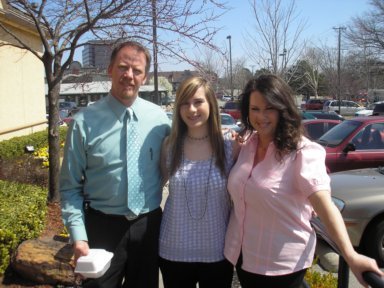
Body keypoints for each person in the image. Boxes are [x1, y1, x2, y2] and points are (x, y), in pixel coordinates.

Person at [224, 74, 383, 288]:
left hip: (280, 266)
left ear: (283, 109)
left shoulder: (302, 152)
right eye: (255, 109)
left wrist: (350, 255)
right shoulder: (247, 145)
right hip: (243, 256)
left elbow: (325, 206)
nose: (261, 116)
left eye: (269, 108)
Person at [60, 41, 170, 288]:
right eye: (123, 67)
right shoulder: (83, 122)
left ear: (145, 77)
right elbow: (69, 187)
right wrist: (78, 236)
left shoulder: (161, 120)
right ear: (109, 69)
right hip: (101, 229)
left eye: (137, 70)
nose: (129, 75)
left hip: (148, 225)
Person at [159, 76, 239, 288]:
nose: (191, 109)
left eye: (198, 102)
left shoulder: (230, 145)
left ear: (211, 104)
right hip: (173, 250)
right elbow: (154, 188)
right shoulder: (170, 146)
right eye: (185, 103)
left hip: (218, 252)